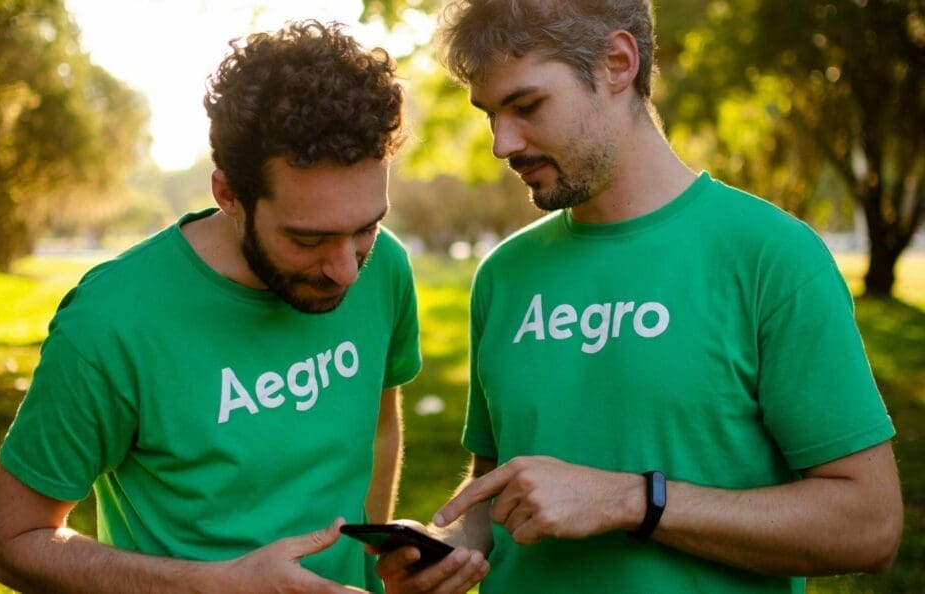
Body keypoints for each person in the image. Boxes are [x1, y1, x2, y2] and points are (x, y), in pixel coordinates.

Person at [376, 1, 904, 593]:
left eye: (526, 106)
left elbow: (871, 527)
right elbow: (498, 489)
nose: (502, 143)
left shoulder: (772, 256)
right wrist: (450, 545)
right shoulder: (504, 273)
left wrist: (633, 500)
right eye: (490, 113)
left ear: (617, 62)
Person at [0, 20, 424, 593]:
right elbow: (13, 541)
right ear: (229, 195)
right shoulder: (109, 322)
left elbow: (379, 426)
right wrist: (212, 583)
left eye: (366, 226)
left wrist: (377, 556)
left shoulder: (384, 266)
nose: (345, 269)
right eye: (309, 239)